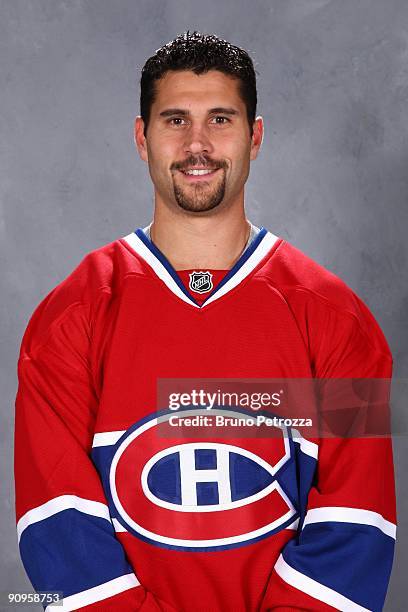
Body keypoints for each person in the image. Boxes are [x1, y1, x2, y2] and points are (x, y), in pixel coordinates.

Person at [15, 31, 396, 611]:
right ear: (142, 139)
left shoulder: (338, 321)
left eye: (220, 119)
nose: (198, 144)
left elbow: (359, 521)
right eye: (174, 120)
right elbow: (55, 523)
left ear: (256, 136)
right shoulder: (72, 319)